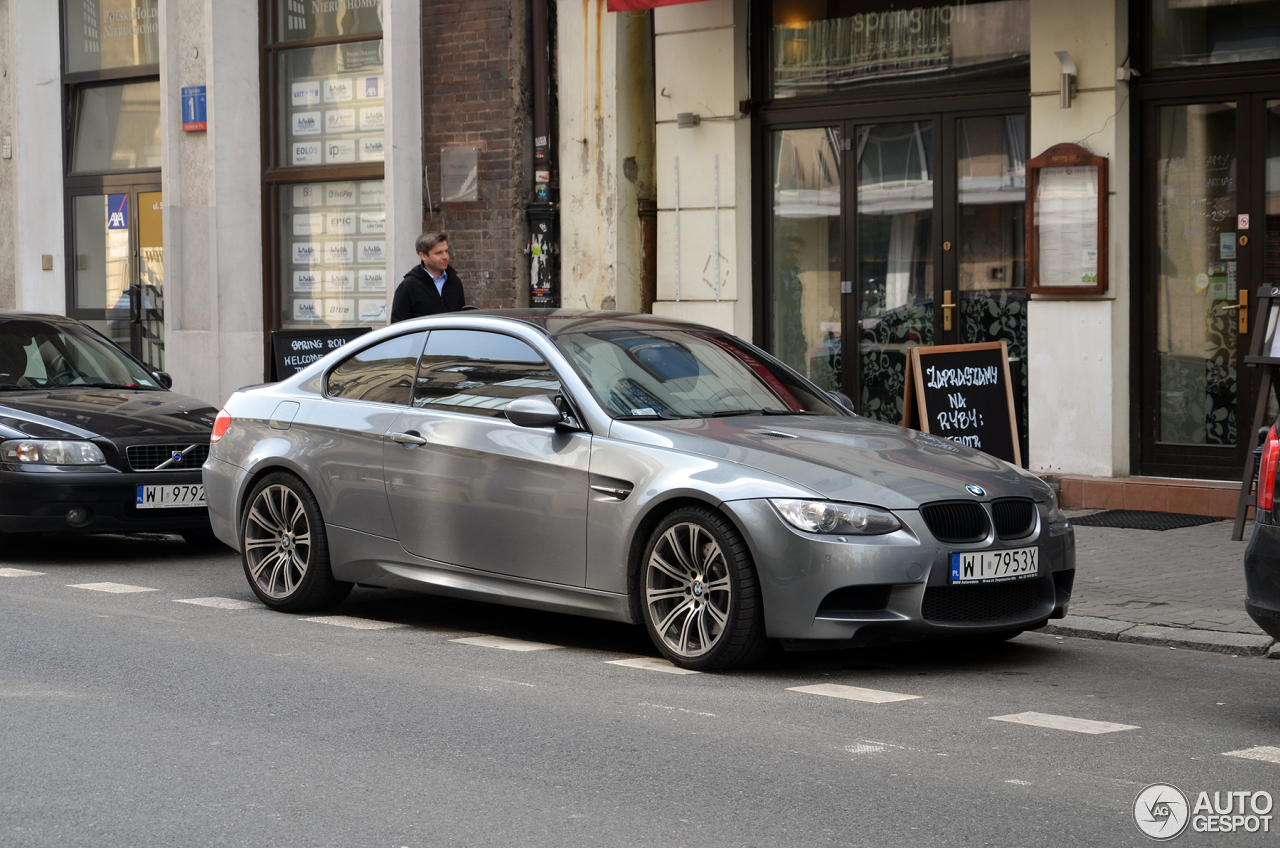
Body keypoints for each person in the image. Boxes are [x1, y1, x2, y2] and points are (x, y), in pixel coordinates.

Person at [391, 231, 466, 322]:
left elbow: (461, 320)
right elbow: (397, 326)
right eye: (439, 253)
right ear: (423, 256)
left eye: (446, 251)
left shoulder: (455, 282)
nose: (445, 256)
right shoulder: (408, 286)